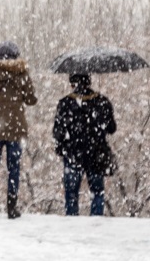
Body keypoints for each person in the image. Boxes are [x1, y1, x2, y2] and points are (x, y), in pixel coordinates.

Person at [0, 40, 37, 219]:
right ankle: (12, 207)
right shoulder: (22, 73)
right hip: (15, 127)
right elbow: (31, 99)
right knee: (14, 168)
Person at [52, 73, 117, 216]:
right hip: (96, 153)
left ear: (72, 84)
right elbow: (112, 128)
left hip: (73, 153)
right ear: (89, 82)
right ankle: (96, 221)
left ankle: (72, 221)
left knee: (71, 194)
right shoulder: (102, 102)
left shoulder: (65, 103)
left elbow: (58, 132)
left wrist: (61, 148)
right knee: (97, 192)